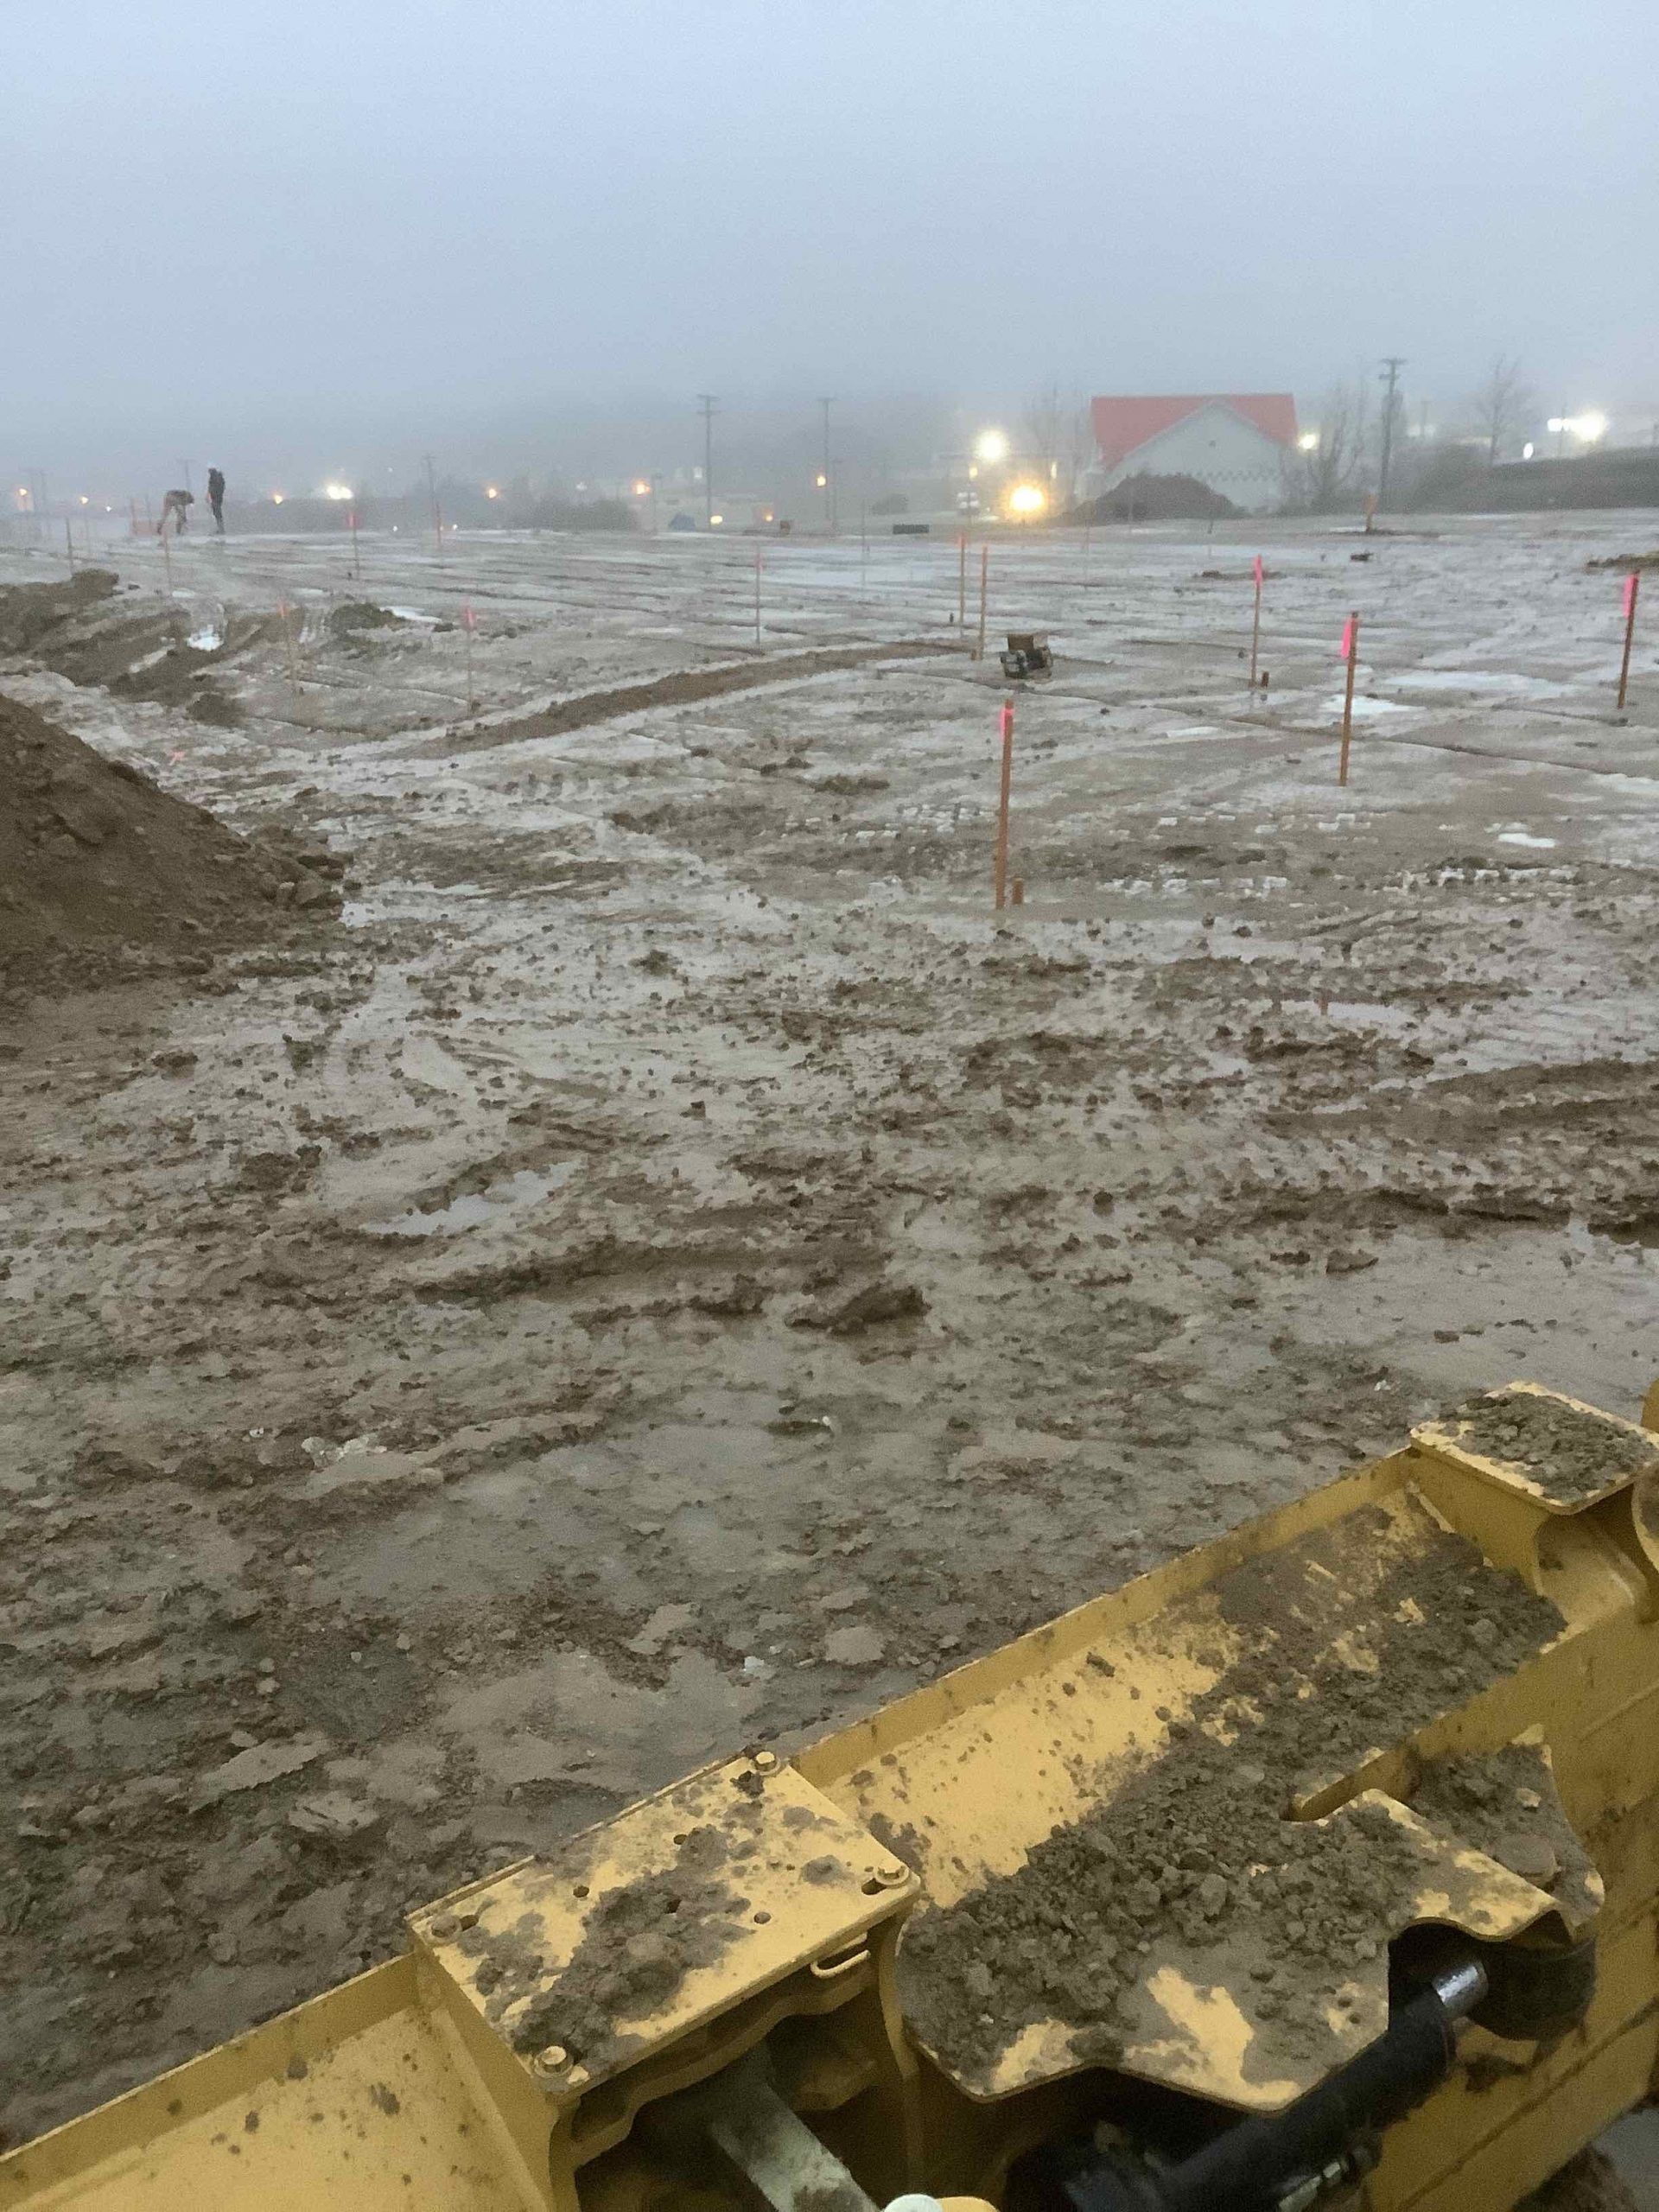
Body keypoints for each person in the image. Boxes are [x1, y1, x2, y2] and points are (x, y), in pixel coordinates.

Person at [207, 467, 226, 533]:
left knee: (217, 513)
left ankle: (221, 529)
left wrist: (211, 494)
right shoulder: (217, 478)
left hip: (216, 498)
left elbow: (213, 488)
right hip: (217, 498)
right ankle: (220, 528)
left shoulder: (215, 478)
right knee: (217, 513)